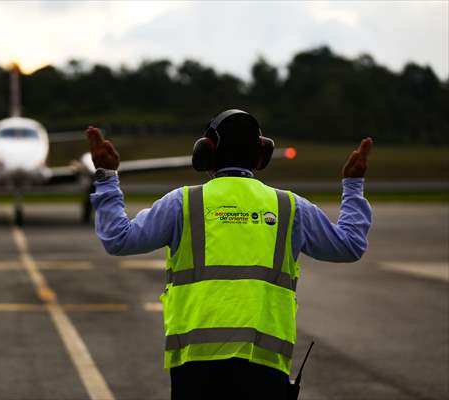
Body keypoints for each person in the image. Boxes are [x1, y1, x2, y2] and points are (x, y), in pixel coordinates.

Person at [87, 109, 373, 399]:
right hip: (264, 364)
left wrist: (107, 176)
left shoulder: (183, 204)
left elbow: (118, 238)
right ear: (262, 154)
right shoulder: (288, 207)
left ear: (206, 154)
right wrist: (353, 186)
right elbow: (348, 245)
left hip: (195, 365)